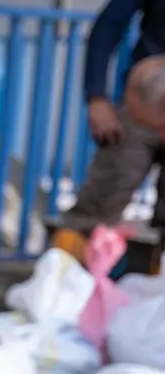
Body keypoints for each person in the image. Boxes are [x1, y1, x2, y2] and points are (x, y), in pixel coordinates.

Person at [54, 0, 165, 257]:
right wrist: (97, 97)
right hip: (143, 106)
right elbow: (109, 25)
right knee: (97, 208)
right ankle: (60, 284)